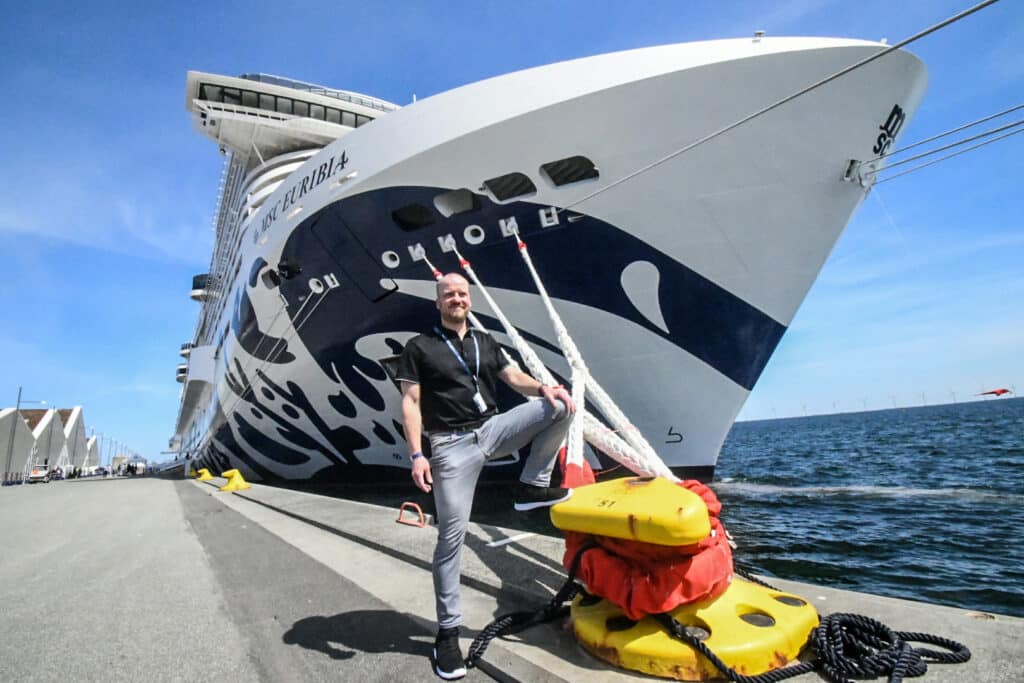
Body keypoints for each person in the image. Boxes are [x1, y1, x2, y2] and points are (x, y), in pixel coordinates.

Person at [396, 272, 576, 680]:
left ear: (469, 301)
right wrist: (416, 454)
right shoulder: (419, 347)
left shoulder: (485, 342)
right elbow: (410, 402)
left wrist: (544, 388)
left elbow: (513, 378)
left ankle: (532, 484)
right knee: (450, 539)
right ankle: (447, 634)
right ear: (438, 303)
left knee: (562, 406)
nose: (456, 299)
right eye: (448, 295)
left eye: (461, 293)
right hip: (449, 446)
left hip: (491, 430)